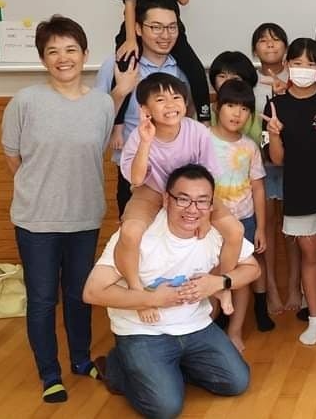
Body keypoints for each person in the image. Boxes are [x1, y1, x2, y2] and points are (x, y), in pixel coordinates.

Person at [1, 16, 117, 403]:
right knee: (42, 299)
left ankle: (81, 360)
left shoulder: (102, 103)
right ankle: (50, 374)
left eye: (71, 49)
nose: (63, 58)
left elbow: (97, 151)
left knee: (80, 294)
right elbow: (13, 156)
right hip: (36, 220)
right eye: (53, 51)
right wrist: (41, 189)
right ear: (42, 58)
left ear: (84, 54)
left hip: (84, 216)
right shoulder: (25, 101)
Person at [84, 165, 258, 419]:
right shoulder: (138, 235)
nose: (192, 209)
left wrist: (219, 282)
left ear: (211, 205)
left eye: (202, 201)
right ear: (166, 200)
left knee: (236, 382)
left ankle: (165, 371)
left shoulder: (215, 232)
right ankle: (117, 366)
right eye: (183, 199)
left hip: (196, 327)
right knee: (165, 408)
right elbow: (92, 292)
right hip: (142, 332)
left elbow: (252, 269)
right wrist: (151, 299)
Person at [117, 73, 244, 325]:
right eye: (160, 100)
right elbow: (136, 179)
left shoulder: (197, 131)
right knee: (130, 232)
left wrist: (205, 215)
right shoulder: (140, 135)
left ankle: (221, 285)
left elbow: (208, 176)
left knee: (235, 231)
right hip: (152, 189)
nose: (170, 104)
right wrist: (145, 141)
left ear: (185, 103)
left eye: (176, 98)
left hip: (193, 192)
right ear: (145, 109)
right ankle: (137, 292)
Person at [263, 39, 316, 347]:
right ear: (287, 65)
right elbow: (277, 160)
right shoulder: (277, 105)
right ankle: (314, 318)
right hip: (298, 193)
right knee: (310, 257)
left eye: (310, 64)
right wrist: (274, 134)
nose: (303, 69)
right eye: (297, 63)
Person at [96, 0, 187, 216]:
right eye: (156, 27)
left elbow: (189, 114)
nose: (165, 35)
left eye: (171, 27)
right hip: (132, 172)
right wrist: (121, 91)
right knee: (134, 231)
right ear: (137, 28)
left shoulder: (184, 67)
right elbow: (96, 119)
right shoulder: (118, 63)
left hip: (178, 173)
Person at [210, 79, 272, 347]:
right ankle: (207, 333)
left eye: (244, 108)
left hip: (244, 220)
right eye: (231, 106)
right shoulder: (202, 139)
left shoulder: (249, 146)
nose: (237, 113)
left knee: (240, 278)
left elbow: (258, 187)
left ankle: (235, 331)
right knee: (212, 275)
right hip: (210, 223)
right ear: (217, 107)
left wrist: (260, 227)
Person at [250, 22, 290, 315]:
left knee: (294, 230)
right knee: (266, 229)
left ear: (286, 48)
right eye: (263, 40)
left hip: (291, 164)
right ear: (255, 49)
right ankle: (272, 289)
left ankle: (297, 287)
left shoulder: (297, 76)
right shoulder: (248, 82)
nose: (270, 45)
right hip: (258, 168)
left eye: (276, 40)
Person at [208, 51, 260, 138]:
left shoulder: (253, 115)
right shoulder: (205, 111)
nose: (227, 82)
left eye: (235, 78)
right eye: (222, 76)